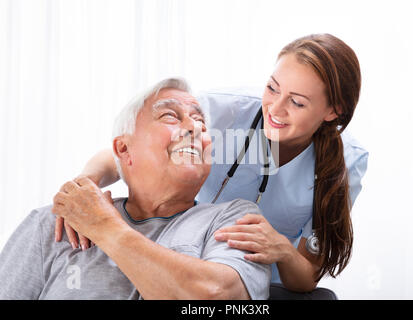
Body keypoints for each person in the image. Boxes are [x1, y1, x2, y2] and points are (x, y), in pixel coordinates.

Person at [55, 33, 368, 292]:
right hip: (176, 248)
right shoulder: (220, 111)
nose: (275, 107)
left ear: (333, 112)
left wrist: (284, 252)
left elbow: (307, 275)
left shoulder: (347, 161)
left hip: (248, 284)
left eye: (297, 102)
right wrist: (84, 187)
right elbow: (129, 154)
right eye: (272, 87)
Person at [0, 78, 271, 300]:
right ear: (124, 149)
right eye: (170, 116)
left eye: (201, 122)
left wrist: (105, 227)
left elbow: (217, 297)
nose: (194, 128)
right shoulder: (56, 222)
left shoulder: (233, 219)